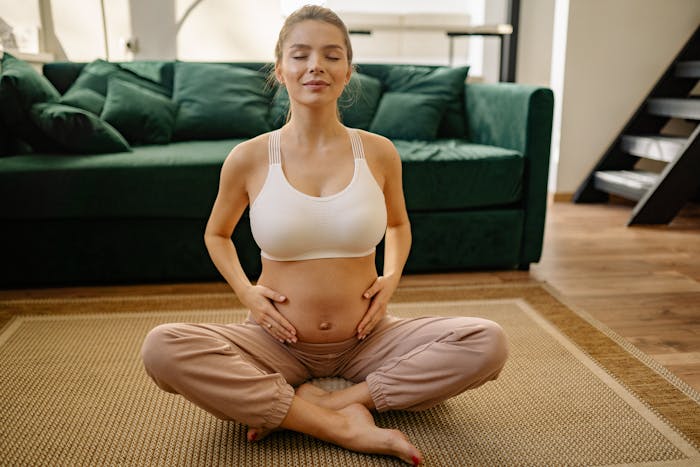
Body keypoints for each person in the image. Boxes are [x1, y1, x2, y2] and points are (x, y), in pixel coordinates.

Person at [141, 5, 508, 465]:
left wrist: (391, 279)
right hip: (275, 344)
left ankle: (328, 402)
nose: (315, 65)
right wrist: (247, 295)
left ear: (348, 71)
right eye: (300, 55)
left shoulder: (378, 153)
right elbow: (217, 234)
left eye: (331, 55)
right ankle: (341, 425)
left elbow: (397, 224)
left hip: (368, 340)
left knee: (487, 341)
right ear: (280, 70)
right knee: (163, 347)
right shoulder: (249, 157)